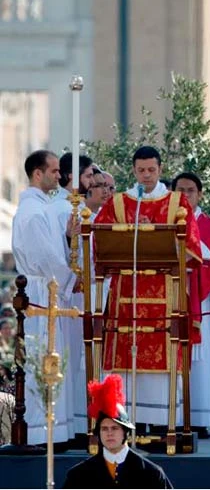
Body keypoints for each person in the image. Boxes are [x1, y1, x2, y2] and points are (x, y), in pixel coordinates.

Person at [93, 146, 202, 428]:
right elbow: (100, 243)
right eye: (141, 170)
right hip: (125, 293)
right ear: (133, 171)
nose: (146, 176)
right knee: (125, 363)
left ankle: (163, 424)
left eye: (151, 170)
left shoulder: (177, 202)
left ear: (160, 170)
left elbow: (191, 245)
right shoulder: (118, 204)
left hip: (164, 291)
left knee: (161, 365)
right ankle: (127, 423)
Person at [11, 149, 79, 444]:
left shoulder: (42, 208)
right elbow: (45, 257)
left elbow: (53, 250)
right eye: (53, 171)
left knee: (54, 359)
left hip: (49, 288)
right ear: (37, 174)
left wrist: (66, 238)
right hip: (42, 291)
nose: (59, 175)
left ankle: (57, 429)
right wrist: (71, 279)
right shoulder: (32, 212)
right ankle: (42, 433)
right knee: (44, 358)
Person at [171, 172, 210, 436]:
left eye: (190, 190)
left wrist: (205, 286)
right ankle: (174, 417)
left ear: (200, 194)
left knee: (203, 362)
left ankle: (200, 417)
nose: (185, 195)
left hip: (203, 303)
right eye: (180, 190)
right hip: (172, 297)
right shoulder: (166, 224)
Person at [47, 152, 94, 436]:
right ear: (69, 176)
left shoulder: (74, 207)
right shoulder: (60, 208)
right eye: (87, 175)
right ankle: (71, 424)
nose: (91, 180)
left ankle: (78, 421)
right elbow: (59, 252)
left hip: (79, 289)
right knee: (70, 356)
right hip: (68, 291)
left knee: (78, 356)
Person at [63, 374, 172, 488]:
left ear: (125, 432)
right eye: (104, 429)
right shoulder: (80, 475)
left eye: (115, 428)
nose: (109, 433)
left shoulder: (151, 474)